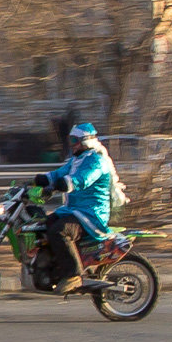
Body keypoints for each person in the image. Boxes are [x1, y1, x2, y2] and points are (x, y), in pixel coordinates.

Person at [33, 123, 128, 295]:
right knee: (43, 225)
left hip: (90, 214)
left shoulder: (97, 161)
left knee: (60, 231)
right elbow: (59, 173)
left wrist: (66, 183)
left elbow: (83, 179)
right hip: (74, 210)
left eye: (75, 140)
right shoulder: (76, 160)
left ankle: (73, 275)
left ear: (87, 142)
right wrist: (42, 179)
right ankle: (53, 269)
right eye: (71, 139)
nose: (72, 144)